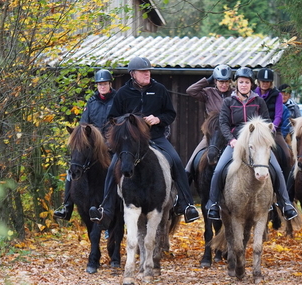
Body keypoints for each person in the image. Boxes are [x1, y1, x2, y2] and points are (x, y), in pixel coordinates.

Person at [89, 57, 200, 226]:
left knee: (176, 161)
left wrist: (158, 119)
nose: (147, 73)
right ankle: (106, 208)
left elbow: (170, 114)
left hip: (155, 137)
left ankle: (186, 205)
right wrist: (132, 120)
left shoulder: (160, 90)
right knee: (113, 166)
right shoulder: (123, 93)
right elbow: (112, 118)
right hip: (131, 142)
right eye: (143, 71)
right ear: (133, 74)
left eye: (148, 71)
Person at [204, 67, 298, 223]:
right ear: (236, 84)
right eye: (241, 82)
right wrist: (231, 139)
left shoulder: (259, 101)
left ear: (251, 84)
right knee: (219, 169)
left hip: (256, 144)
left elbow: (267, 121)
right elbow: (223, 123)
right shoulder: (228, 102)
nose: (243, 85)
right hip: (236, 143)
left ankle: (286, 203)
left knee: (277, 169)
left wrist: (265, 137)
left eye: (246, 82)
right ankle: (213, 203)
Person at [54, 69, 117, 221]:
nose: (102, 87)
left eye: (104, 84)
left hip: (111, 146)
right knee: (73, 170)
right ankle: (67, 206)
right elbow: (83, 125)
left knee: (119, 169)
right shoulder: (92, 102)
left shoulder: (118, 100)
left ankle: (120, 205)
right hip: (94, 148)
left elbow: (119, 123)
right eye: (99, 84)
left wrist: (110, 142)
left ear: (110, 84)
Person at [184, 64, 233, 181]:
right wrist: (207, 80)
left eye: (226, 81)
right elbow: (190, 91)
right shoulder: (208, 93)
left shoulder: (235, 94)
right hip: (212, 136)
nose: (224, 85)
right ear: (215, 81)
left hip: (231, 135)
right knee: (191, 163)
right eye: (220, 81)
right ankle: (183, 193)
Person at [255, 68, 292, 178]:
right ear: (259, 82)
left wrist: (272, 128)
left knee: (287, 156)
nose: (265, 84)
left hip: (274, 131)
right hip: (256, 131)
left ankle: (286, 185)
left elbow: (278, 115)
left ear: (271, 83)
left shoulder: (277, 95)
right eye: (263, 81)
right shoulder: (252, 93)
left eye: (267, 82)